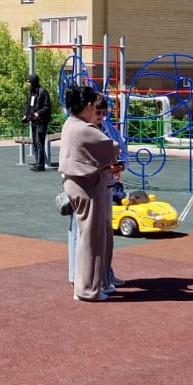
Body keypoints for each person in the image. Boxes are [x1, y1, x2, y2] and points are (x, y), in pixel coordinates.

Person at [60, 84, 122, 302]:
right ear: (87, 106)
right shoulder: (83, 128)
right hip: (87, 186)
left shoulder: (71, 123)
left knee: (91, 236)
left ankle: (94, 284)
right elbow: (112, 146)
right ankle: (87, 289)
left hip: (80, 183)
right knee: (91, 239)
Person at [22, 74, 54, 172]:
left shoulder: (43, 92)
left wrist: (38, 113)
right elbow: (28, 106)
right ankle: (38, 163)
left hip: (41, 121)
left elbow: (47, 106)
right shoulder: (30, 92)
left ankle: (41, 165)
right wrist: (26, 115)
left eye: (29, 82)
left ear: (33, 82)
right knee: (35, 142)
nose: (28, 84)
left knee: (40, 142)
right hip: (33, 120)